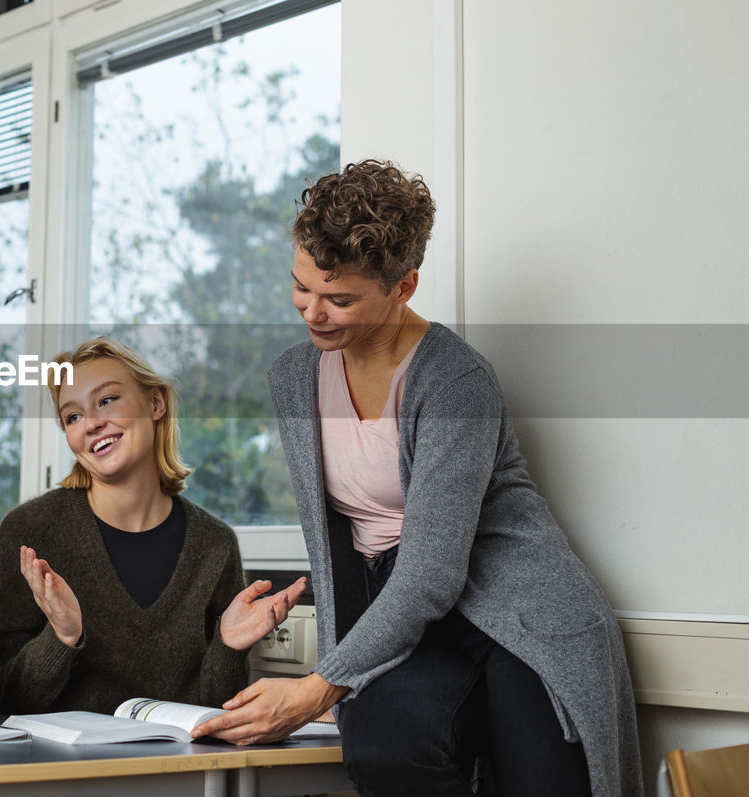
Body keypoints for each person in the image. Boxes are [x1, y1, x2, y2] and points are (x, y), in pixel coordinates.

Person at [192, 160, 643, 797]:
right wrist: (339, 671)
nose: (313, 313)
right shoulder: (295, 377)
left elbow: (432, 570)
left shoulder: (455, 379)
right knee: (381, 746)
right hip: (404, 614)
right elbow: (338, 547)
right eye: (301, 287)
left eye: (340, 299)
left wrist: (319, 686)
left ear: (404, 286)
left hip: (516, 614)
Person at [0, 337, 305, 714]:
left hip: (177, 768)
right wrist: (62, 637)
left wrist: (229, 647)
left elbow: (216, 707)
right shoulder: (30, 532)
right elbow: (0, 696)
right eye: (73, 416)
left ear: (155, 403)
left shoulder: (215, 544)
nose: (93, 423)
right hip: (62, 768)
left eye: (107, 400)